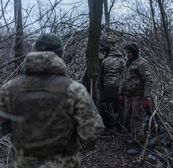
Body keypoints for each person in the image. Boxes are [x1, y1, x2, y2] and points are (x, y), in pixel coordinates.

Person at [0, 33, 104, 168]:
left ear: (34, 51)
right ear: (60, 54)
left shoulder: (9, 89)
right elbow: (92, 131)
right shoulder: (74, 89)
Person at [119, 43, 153, 155]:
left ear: (134, 52)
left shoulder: (142, 63)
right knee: (128, 118)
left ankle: (139, 146)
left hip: (138, 96)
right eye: (126, 52)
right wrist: (121, 94)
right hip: (128, 96)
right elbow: (123, 79)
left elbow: (148, 80)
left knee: (137, 119)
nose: (127, 54)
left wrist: (146, 97)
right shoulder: (128, 63)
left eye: (129, 52)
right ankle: (133, 139)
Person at [99, 39, 125, 130]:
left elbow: (101, 74)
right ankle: (121, 125)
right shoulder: (122, 61)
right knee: (120, 106)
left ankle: (112, 124)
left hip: (108, 85)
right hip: (119, 86)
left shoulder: (105, 61)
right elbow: (125, 74)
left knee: (109, 106)